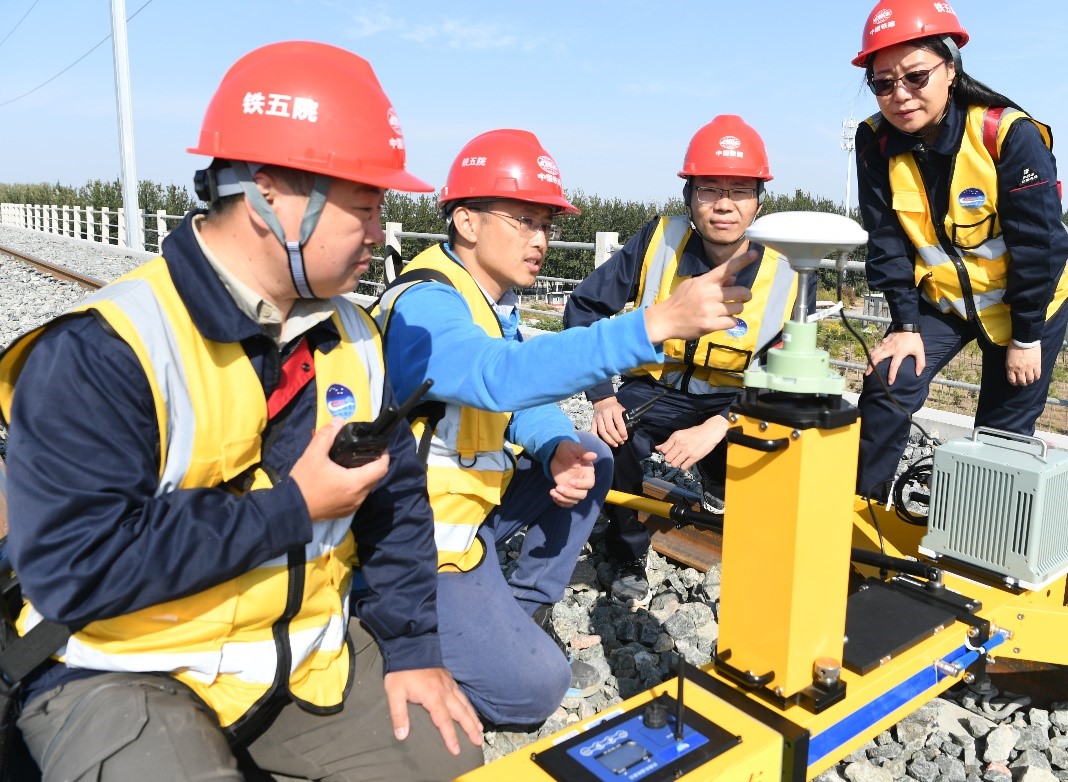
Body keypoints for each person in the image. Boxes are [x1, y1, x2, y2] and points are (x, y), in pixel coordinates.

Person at [0, 41, 485, 781]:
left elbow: (397, 505)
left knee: (449, 757)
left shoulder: (354, 335)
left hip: (300, 661)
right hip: (124, 668)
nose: (380, 233)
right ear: (269, 197)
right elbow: (75, 567)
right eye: (365, 206)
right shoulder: (105, 350)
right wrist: (292, 509)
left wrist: (413, 648)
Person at [374, 128, 755, 726]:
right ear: (466, 221)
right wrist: (651, 325)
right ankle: (390, 642)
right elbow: (496, 375)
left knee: (588, 455)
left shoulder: (488, 296)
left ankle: (518, 609)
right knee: (535, 689)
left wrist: (554, 444)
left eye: (547, 224)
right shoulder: (426, 304)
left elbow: (516, 397)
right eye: (524, 220)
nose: (541, 240)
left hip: (466, 510)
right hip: (417, 540)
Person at [850, 0, 1068, 502]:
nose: (900, 95)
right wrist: (904, 326)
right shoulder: (875, 141)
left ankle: (973, 539)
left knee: (1001, 437)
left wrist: (1026, 337)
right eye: (883, 83)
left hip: (1027, 301)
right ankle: (860, 514)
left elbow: (1038, 248)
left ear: (951, 69)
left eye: (916, 76)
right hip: (946, 300)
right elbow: (886, 241)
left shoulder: (1007, 134)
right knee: (889, 381)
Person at [563, 114, 803, 604]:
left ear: (759, 201)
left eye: (739, 191)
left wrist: (719, 425)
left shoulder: (789, 270)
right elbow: (584, 308)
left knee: (781, 446)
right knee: (612, 439)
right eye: (709, 189)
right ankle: (626, 549)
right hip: (656, 391)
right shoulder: (659, 243)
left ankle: (724, 483)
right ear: (689, 196)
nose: (724, 204)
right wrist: (602, 396)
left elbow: (786, 376)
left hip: (735, 401)